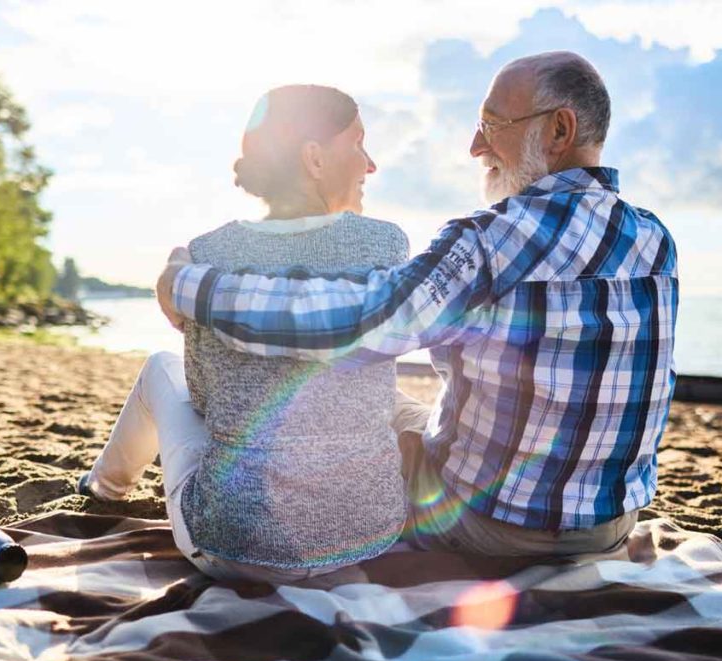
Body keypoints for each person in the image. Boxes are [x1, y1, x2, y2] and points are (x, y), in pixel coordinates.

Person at [160, 52, 679, 558]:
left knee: (354, 415)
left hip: (492, 527)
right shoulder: (656, 240)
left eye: (492, 124)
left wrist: (191, 286)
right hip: (610, 525)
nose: (477, 146)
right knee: (393, 409)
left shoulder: (491, 241)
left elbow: (353, 324)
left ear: (559, 131)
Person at [81, 85, 410, 582]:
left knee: (160, 369)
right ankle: (103, 485)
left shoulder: (207, 253)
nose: (371, 164)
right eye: (359, 143)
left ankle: (104, 488)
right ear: (314, 159)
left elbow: (204, 397)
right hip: (366, 537)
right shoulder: (387, 243)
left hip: (235, 548)